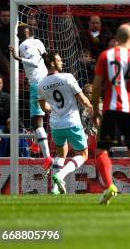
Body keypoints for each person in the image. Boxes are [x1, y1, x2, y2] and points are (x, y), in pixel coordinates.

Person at [91, 23, 130, 206]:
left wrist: (95, 109)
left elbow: (96, 86)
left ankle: (110, 185)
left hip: (111, 110)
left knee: (102, 150)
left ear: (116, 38)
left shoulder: (106, 56)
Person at [38, 52, 92, 194]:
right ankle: (60, 176)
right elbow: (83, 100)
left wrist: (55, 108)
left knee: (61, 153)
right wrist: (94, 110)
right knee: (83, 154)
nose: (62, 62)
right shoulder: (67, 77)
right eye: (59, 60)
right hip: (72, 122)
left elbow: (44, 107)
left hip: (55, 125)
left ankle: (55, 188)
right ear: (52, 63)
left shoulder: (41, 84)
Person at [9, 24, 52, 171]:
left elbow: (34, 63)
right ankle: (35, 142)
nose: (18, 32)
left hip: (37, 84)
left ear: (29, 32)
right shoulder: (38, 42)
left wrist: (17, 58)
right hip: (48, 80)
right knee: (42, 116)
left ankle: (47, 157)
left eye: (21, 29)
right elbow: (46, 58)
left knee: (36, 122)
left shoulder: (24, 45)